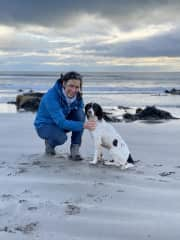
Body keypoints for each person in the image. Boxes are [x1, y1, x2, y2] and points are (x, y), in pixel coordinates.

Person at [34, 71, 96, 160]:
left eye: (77, 87)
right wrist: (83, 125)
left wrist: (91, 121)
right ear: (64, 83)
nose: (74, 90)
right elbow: (61, 122)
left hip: (61, 122)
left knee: (80, 114)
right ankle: (50, 144)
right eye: (71, 86)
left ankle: (75, 150)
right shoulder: (51, 96)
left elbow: (80, 113)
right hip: (45, 125)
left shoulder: (77, 96)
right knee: (61, 138)